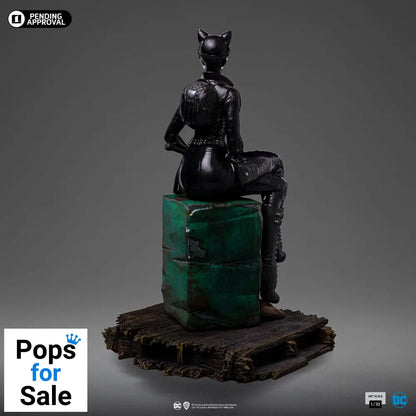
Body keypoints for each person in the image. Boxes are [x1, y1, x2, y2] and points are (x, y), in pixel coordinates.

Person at [164, 30, 287, 320]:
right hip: (217, 175)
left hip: (189, 175)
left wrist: (191, 153)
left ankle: (271, 265)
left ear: (200, 57)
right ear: (225, 59)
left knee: (270, 172)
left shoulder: (190, 92)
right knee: (277, 176)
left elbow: (170, 137)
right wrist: (237, 159)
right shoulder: (229, 94)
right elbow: (235, 144)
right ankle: (270, 273)